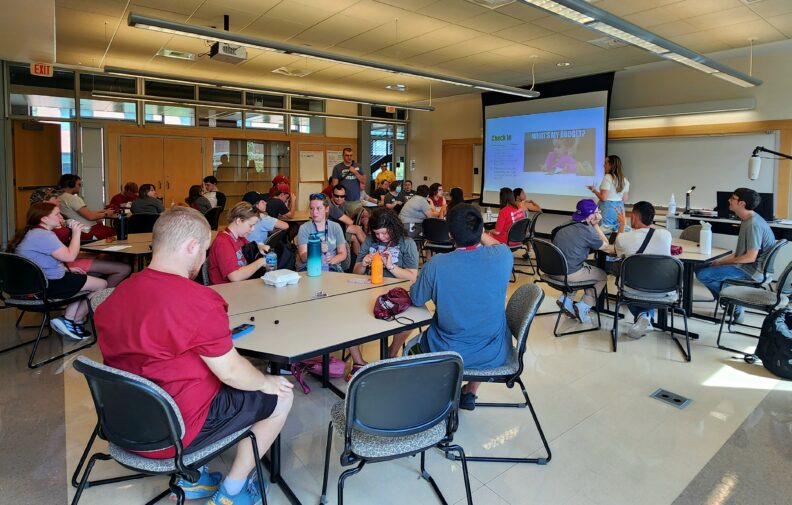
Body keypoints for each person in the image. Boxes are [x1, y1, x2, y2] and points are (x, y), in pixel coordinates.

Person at [95, 207, 293, 504]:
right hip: (173, 433)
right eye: (204, 250)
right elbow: (231, 373)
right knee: (280, 394)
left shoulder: (116, 295)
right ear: (191, 247)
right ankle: (233, 493)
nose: (203, 258)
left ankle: (194, 480)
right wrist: (266, 382)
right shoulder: (199, 300)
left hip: (123, 424)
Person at [408, 204, 511, 410]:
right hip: (493, 352)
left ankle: (436, 398)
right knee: (489, 323)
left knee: (410, 347)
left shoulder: (437, 264)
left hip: (448, 353)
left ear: (449, 235)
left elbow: (417, 298)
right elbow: (495, 244)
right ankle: (470, 392)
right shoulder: (503, 255)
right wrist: (479, 233)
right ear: (482, 230)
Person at [8, 203, 108, 340]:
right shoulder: (44, 235)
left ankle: (70, 320)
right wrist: (76, 233)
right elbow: (70, 256)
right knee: (101, 284)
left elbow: (41, 261)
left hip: (31, 285)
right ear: (44, 219)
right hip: (47, 286)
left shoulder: (33, 233)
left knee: (81, 279)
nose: (61, 217)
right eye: (57, 214)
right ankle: (71, 320)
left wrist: (67, 268)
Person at [695, 188, 776, 323]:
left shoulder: (753, 224)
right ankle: (728, 301)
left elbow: (750, 257)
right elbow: (741, 254)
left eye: (732, 198)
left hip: (752, 271)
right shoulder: (748, 219)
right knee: (699, 268)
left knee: (704, 274)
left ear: (742, 204)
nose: (729, 200)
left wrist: (721, 263)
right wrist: (720, 261)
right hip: (746, 266)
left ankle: (735, 303)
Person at [353, 207, 419, 361]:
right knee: (349, 315)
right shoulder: (370, 241)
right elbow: (356, 273)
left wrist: (391, 266)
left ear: (393, 228)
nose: (381, 237)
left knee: (410, 320)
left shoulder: (406, 243)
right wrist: (363, 263)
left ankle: (392, 352)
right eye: (377, 233)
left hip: (397, 293)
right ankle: (358, 361)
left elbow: (412, 277)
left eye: (384, 233)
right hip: (370, 289)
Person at [612, 201, 673, 338]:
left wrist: (622, 225)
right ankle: (645, 315)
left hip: (634, 288)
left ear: (633, 217)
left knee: (622, 278)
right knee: (649, 280)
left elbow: (617, 252)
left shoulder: (624, 238)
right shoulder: (666, 235)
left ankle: (642, 314)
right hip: (663, 289)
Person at [551, 199, 614, 324]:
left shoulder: (563, 225)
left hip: (552, 270)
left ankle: (566, 300)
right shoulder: (587, 231)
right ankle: (583, 306)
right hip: (568, 275)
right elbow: (607, 247)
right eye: (597, 211)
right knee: (601, 275)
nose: (599, 213)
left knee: (578, 265)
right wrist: (596, 225)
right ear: (591, 215)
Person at [208, 202, 271, 285]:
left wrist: (260, 246)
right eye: (250, 225)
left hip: (239, 286)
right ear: (239, 221)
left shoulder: (239, 238)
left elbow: (250, 246)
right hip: (226, 290)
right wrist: (261, 262)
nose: (252, 229)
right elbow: (235, 276)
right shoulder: (223, 242)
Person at [295, 194, 347, 272]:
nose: (314, 212)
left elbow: (343, 253)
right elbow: (303, 257)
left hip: (331, 267)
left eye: (318, 208)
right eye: (312, 208)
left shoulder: (335, 227)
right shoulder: (304, 228)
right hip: (308, 267)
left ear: (326, 209)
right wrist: (317, 250)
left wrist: (331, 260)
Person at [58, 174, 116, 241]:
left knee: (101, 223)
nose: (80, 187)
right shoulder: (73, 199)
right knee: (115, 232)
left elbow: (83, 213)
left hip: (75, 230)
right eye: (79, 184)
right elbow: (91, 217)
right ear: (72, 184)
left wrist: (102, 211)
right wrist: (106, 214)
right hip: (87, 230)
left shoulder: (59, 198)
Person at [587, 155, 629, 232]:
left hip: (608, 209)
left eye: (606, 163)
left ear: (611, 165)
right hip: (620, 208)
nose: (603, 165)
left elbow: (603, 198)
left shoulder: (608, 177)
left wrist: (594, 190)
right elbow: (625, 199)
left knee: (605, 232)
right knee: (618, 231)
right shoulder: (624, 179)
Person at [328, 185, 367, 255]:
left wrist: (355, 214)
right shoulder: (331, 207)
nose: (339, 199)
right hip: (332, 232)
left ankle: (359, 257)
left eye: (342, 196)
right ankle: (369, 250)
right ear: (332, 195)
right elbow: (349, 221)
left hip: (339, 228)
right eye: (337, 196)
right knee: (357, 229)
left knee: (355, 236)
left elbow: (346, 219)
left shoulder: (341, 204)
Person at [331, 148, 366, 214]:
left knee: (356, 220)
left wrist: (355, 172)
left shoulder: (358, 166)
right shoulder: (337, 167)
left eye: (351, 155)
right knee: (343, 221)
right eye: (347, 155)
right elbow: (334, 185)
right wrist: (338, 199)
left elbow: (363, 181)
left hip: (355, 201)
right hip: (342, 200)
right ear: (343, 156)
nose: (349, 157)